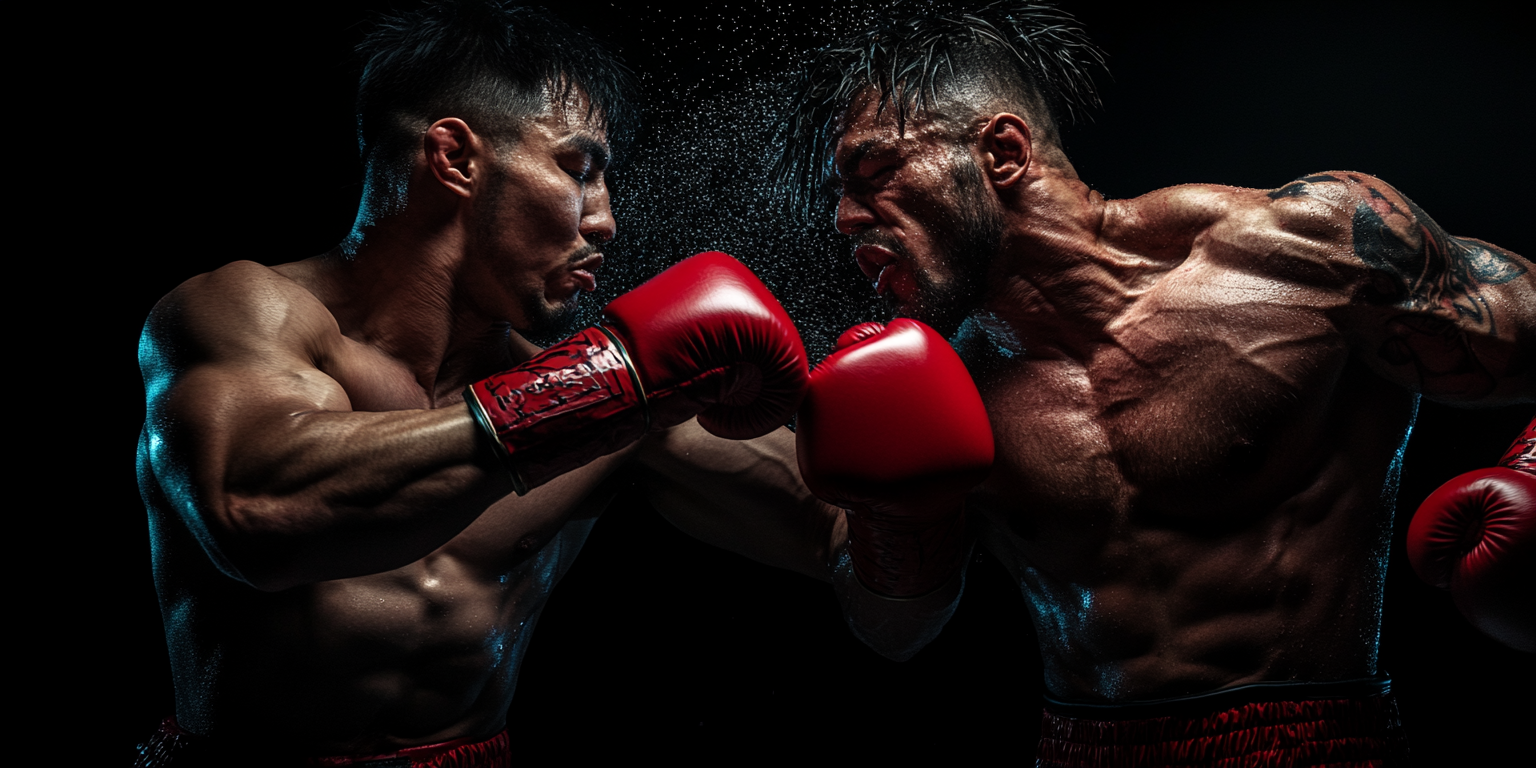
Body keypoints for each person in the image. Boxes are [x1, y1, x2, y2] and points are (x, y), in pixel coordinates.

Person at [776, 2, 1535, 765]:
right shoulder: (934, 390)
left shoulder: (1307, 251)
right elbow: (897, 629)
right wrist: (885, 528)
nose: (845, 217)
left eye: (874, 173)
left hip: (1322, 744)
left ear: (1002, 153)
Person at [133, 2, 845, 764]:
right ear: (456, 158)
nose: (604, 220)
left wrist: (923, 433)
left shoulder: (622, 393)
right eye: (578, 168)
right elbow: (253, 509)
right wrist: (601, 385)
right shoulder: (245, 313)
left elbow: (846, 542)